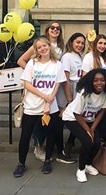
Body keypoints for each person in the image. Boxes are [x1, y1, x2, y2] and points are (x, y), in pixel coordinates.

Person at [13, 37, 66, 178]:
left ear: (49, 46)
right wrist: (44, 96)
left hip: (50, 107)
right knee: (25, 135)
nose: (43, 49)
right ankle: (21, 163)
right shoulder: (32, 63)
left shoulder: (57, 64)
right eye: (39, 47)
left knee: (50, 134)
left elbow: (57, 84)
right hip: (32, 106)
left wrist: (49, 101)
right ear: (36, 50)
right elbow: (27, 84)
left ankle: (47, 160)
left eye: (44, 46)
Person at [62, 69, 106, 182]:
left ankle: (87, 164)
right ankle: (80, 169)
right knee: (87, 142)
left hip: (89, 120)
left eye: (102, 80)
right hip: (72, 118)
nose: (99, 83)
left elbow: (102, 111)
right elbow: (76, 113)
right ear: (91, 81)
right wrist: (87, 130)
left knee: (97, 142)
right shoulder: (84, 93)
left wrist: (92, 129)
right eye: (95, 80)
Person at [60, 33, 86, 158]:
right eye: (77, 42)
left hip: (80, 90)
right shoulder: (67, 57)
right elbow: (66, 78)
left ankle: (69, 144)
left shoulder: (80, 57)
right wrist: (69, 98)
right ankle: (65, 148)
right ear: (71, 42)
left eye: (82, 43)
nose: (80, 45)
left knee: (77, 118)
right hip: (72, 90)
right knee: (72, 119)